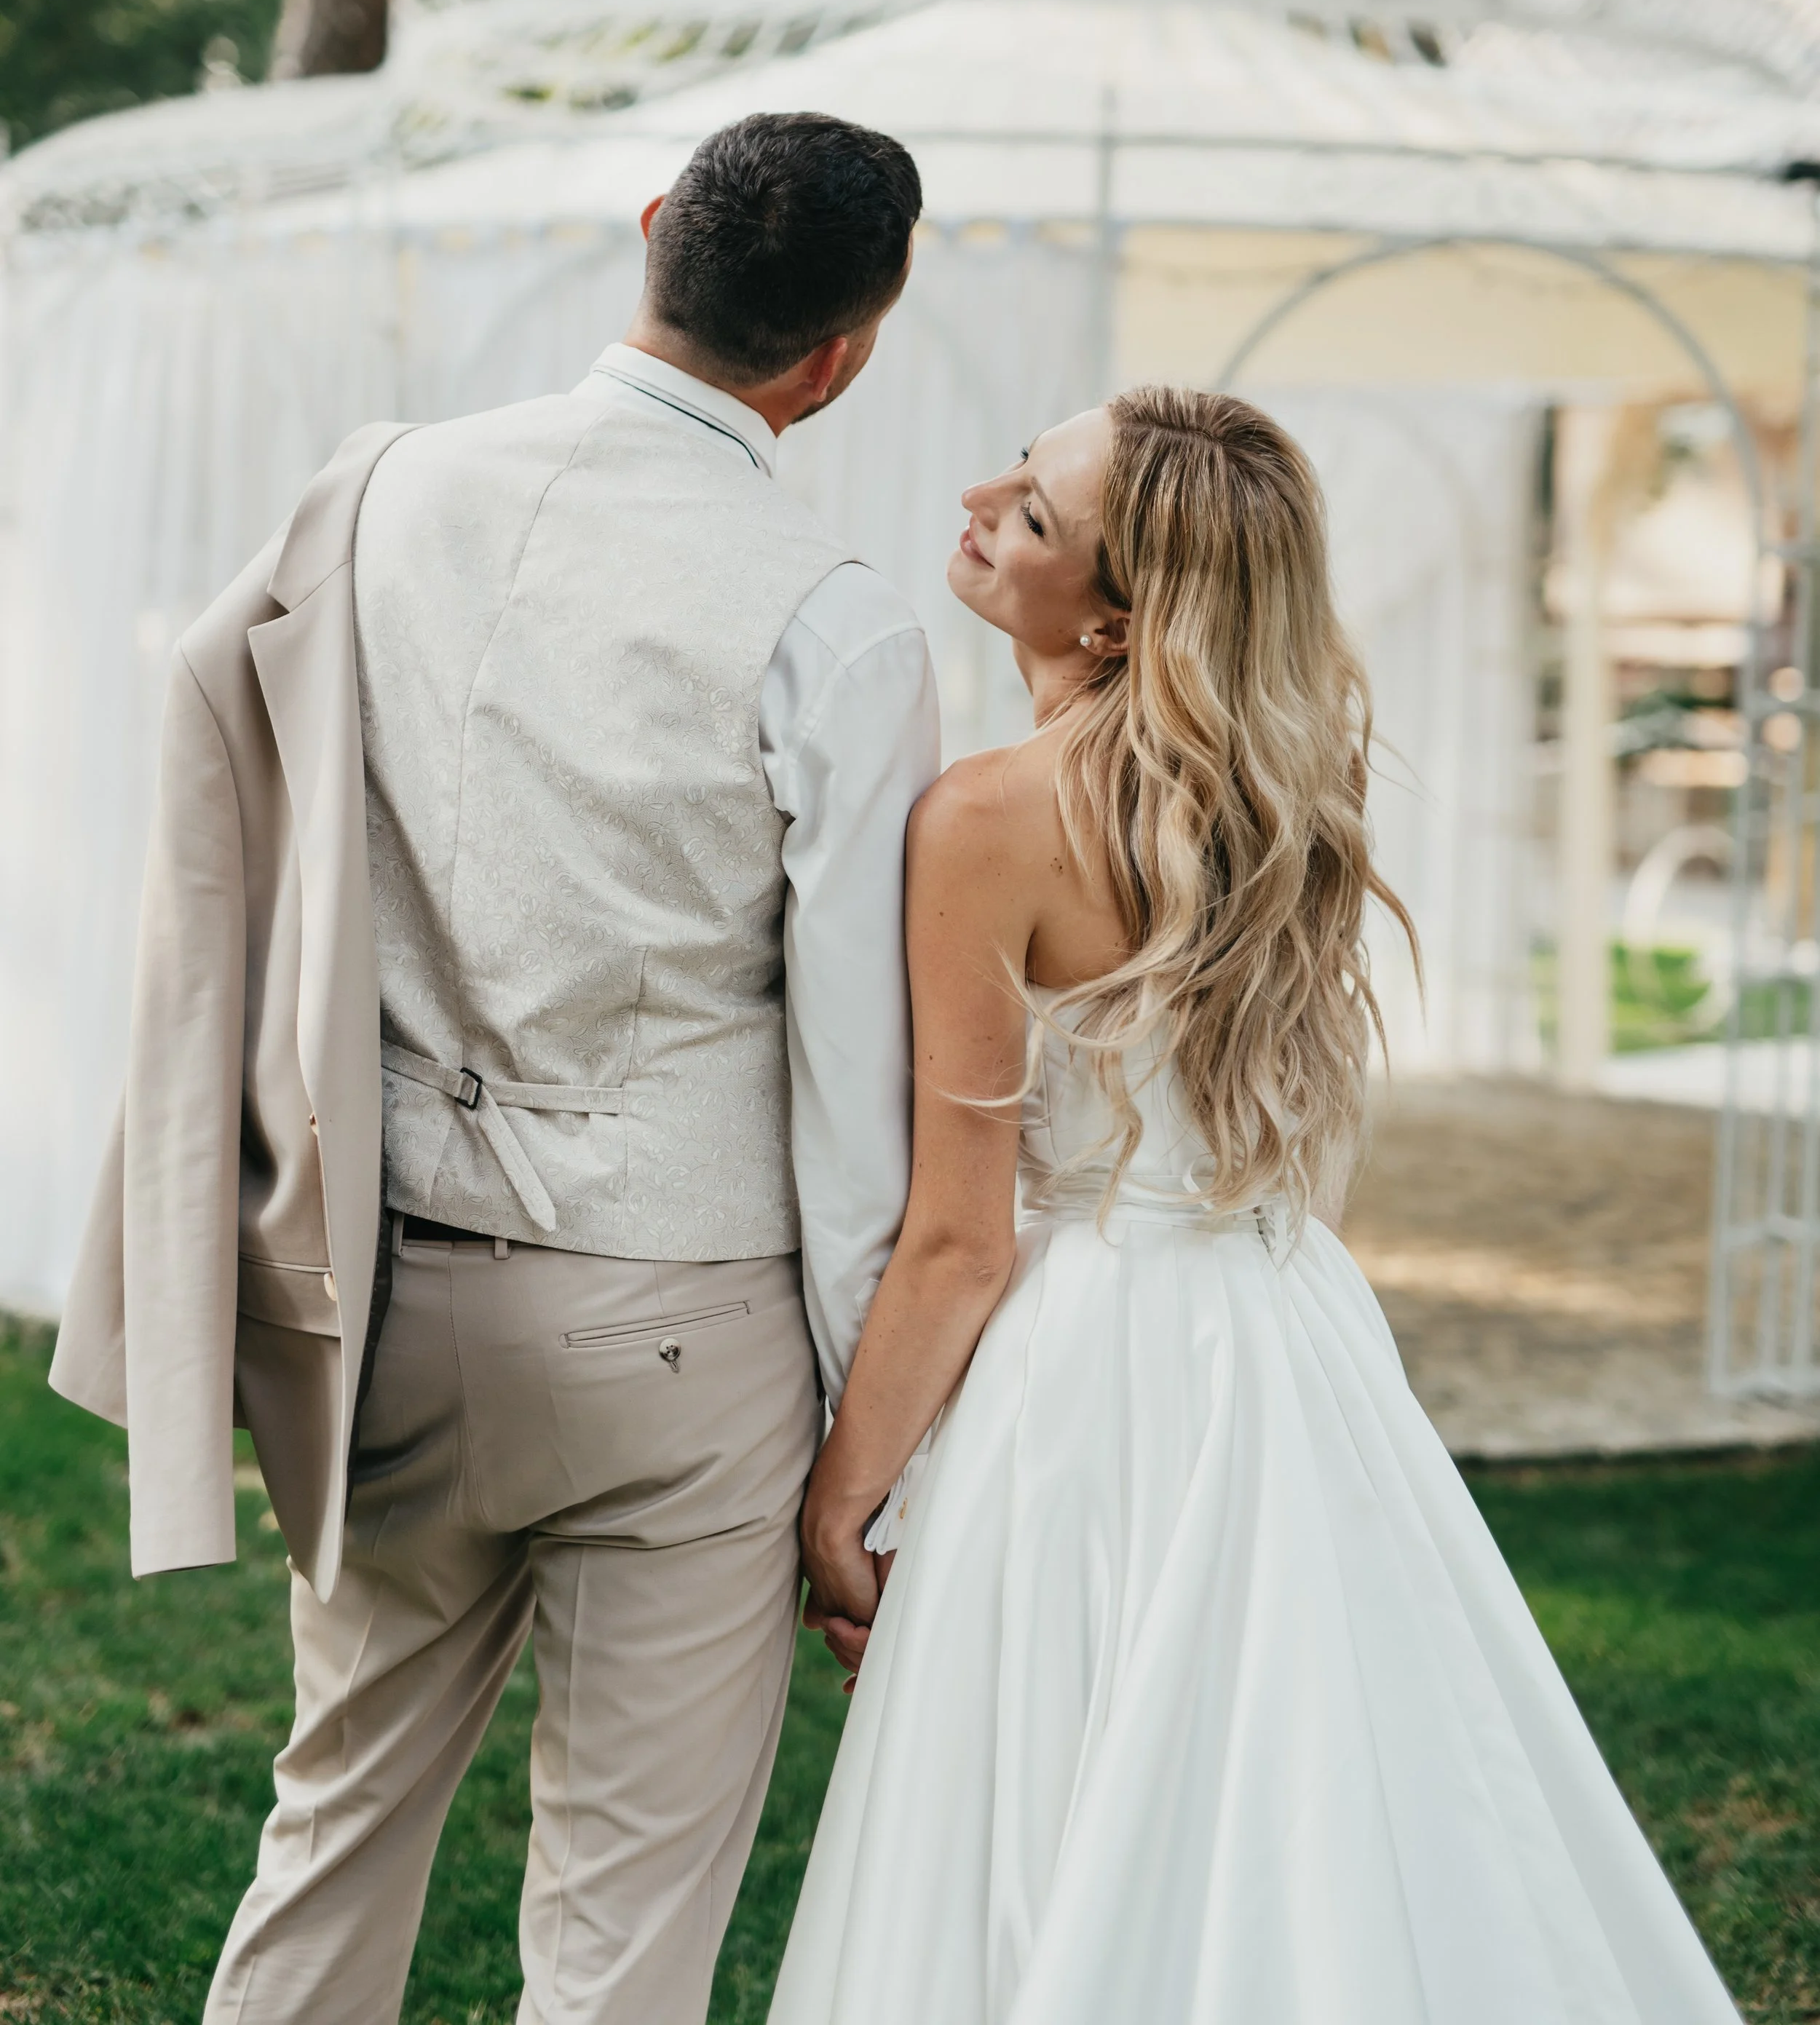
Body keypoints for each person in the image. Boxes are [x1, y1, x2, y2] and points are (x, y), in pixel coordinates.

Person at [50, 110, 939, 2025]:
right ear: (843, 350)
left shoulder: (370, 494)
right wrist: (871, 1452)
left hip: (383, 1285)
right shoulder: (840, 626)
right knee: (621, 1924)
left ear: (647, 238)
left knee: (335, 1823)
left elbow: (240, 811)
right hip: (684, 1330)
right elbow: (856, 1078)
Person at [772, 387, 1742, 2025]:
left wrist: (836, 1501)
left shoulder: (988, 820)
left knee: (1060, 1791)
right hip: (1284, 1323)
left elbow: (959, 1239)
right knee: (1320, 1775)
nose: (975, 493)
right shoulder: (1278, 794)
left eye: (1025, 508)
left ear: (1112, 610)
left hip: (1085, 1374)